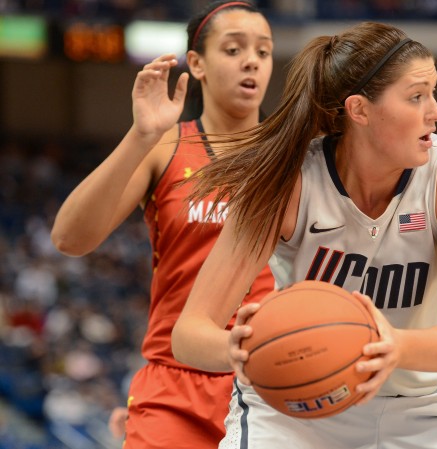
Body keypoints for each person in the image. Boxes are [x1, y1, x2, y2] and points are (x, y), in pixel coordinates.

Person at [171, 21, 437, 449]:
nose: (436, 111)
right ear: (359, 110)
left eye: (433, 91)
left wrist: (393, 345)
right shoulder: (287, 182)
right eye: (416, 96)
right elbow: (189, 333)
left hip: (431, 405)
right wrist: (239, 348)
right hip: (301, 407)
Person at [50, 1, 275, 448]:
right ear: (197, 63)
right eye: (233, 49)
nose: (252, 60)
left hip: (270, 380)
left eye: (264, 52)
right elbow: (69, 238)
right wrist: (141, 136)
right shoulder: (166, 146)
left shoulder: (298, 155)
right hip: (177, 386)